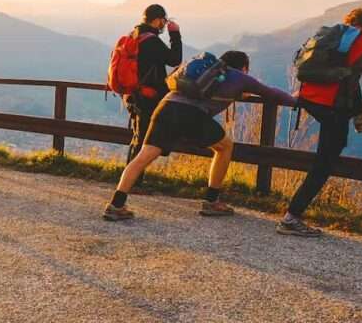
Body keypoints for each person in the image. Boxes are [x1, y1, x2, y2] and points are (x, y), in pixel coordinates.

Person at [103, 51, 297, 221]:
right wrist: (295, 101)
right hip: (191, 113)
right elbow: (271, 93)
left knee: (144, 155)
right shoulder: (240, 77)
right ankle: (212, 201)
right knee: (225, 146)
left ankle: (116, 205)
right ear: (243, 67)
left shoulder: (208, 72)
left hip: (165, 107)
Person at [278, 8, 362, 237]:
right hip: (333, 108)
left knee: (333, 145)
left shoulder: (332, 37)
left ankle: (359, 111)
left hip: (309, 100)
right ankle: (291, 217)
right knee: (325, 162)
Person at [125, 4, 183, 165]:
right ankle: (132, 182)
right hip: (147, 96)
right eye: (163, 20)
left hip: (132, 94)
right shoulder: (151, 40)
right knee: (142, 139)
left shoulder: (134, 35)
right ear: (157, 20)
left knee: (138, 136)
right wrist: (175, 34)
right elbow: (174, 59)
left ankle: (130, 178)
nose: (164, 24)